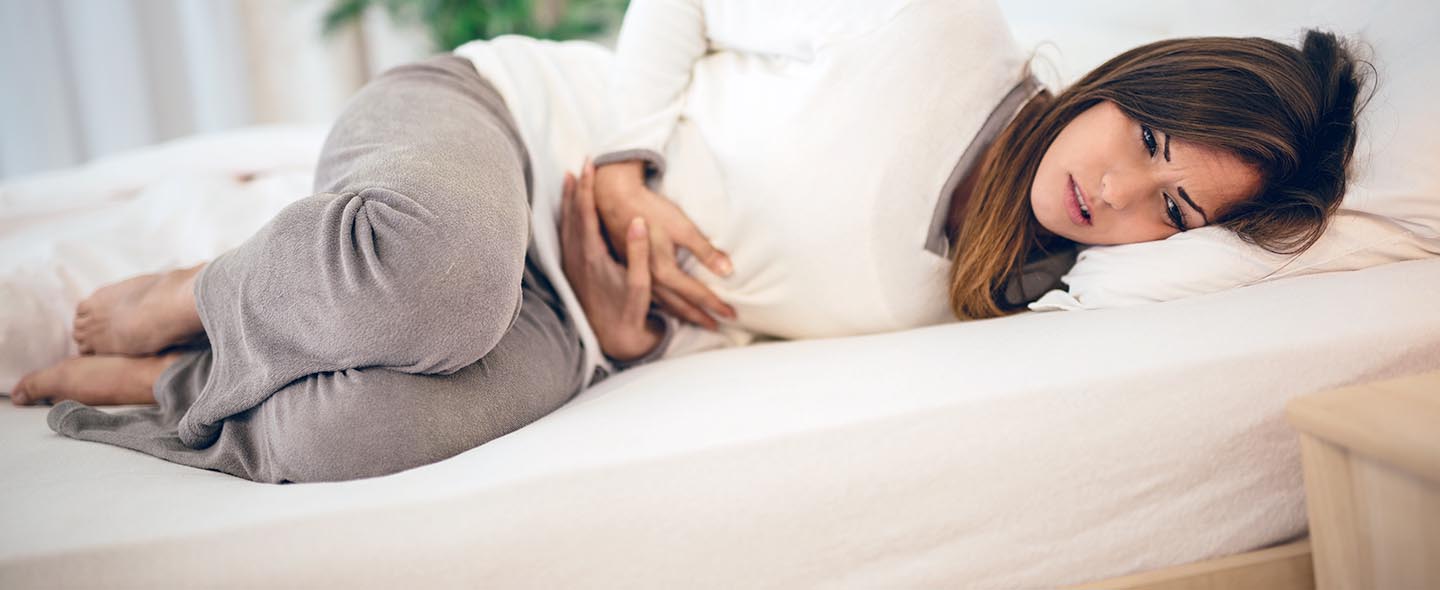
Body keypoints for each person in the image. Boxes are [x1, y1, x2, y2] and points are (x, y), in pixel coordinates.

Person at [8, 0, 1366, 483]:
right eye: (1147, 141)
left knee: (336, 439)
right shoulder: (940, 28)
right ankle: (206, 289)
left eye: (1173, 207)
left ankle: (177, 390)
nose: (1119, 192)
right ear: (1130, 84)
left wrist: (615, 332)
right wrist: (621, 158)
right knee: (429, 274)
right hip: (518, 126)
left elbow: (713, 317)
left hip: (587, 325)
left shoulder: (1018, 293)